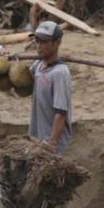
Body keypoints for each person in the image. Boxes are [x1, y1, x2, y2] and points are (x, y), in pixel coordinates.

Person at [28, 21, 74, 154]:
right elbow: (21, 82)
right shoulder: (38, 65)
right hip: (36, 138)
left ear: (57, 43)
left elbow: (61, 112)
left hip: (51, 143)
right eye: (37, 41)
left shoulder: (60, 73)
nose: (39, 46)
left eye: (44, 42)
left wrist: (52, 142)